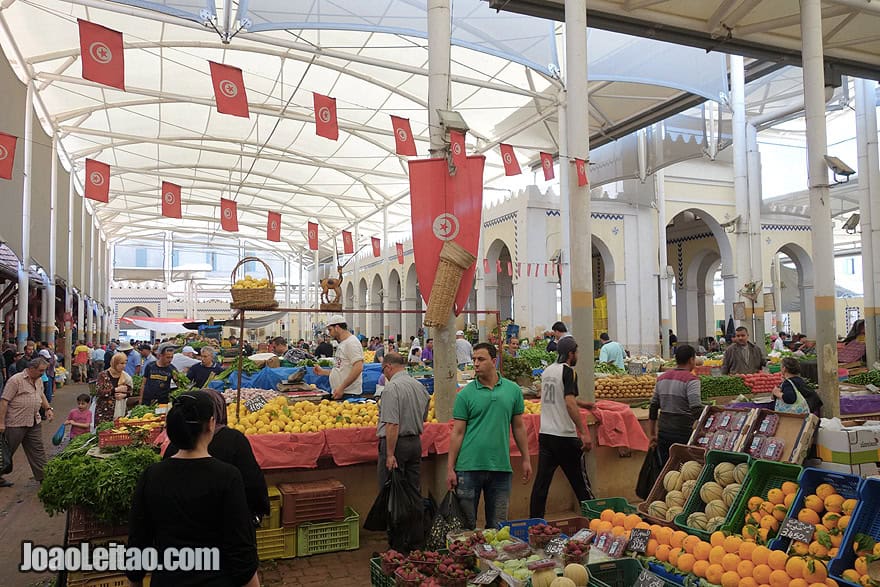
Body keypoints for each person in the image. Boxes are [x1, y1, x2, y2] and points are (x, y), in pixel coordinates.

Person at [127, 392, 260, 587]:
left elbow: (139, 536)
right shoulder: (227, 476)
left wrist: (135, 580)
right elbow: (239, 545)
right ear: (211, 424)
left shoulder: (152, 475)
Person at [446, 343, 532, 529]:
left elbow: (518, 427)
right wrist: (450, 468)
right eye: (474, 359)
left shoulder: (512, 390)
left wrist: (526, 458)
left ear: (494, 361)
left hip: (501, 468)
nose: (476, 363)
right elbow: (457, 433)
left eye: (481, 359)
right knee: (467, 528)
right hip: (468, 468)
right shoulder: (465, 395)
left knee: (498, 527)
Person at [165, 390, 269, 525]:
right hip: (227, 532)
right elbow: (253, 483)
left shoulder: (156, 470)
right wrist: (258, 512)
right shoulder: (229, 467)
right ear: (211, 422)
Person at [529, 337, 595, 518]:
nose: (578, 356)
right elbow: (568, 403)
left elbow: (558, 396)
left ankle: (535, 523)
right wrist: (583, 432)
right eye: (577, 352)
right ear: (571, 354)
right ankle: (595, 521)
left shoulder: (548, 371)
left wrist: (583, 404)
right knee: (581, 485)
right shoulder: (568, 372)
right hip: (565, 436)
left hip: (546, 435)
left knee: (541, 485)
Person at [376, 352, 430, 492]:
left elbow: (392, 424)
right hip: (415, 443)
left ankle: (394, 515)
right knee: (413, 489)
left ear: (388, 367)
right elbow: (423, 417)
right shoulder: (419, 386)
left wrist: (389, 454)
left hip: (397, 445)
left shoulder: (391, 388)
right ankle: (416, 514)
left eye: (383, 371)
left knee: (392, 492)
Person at [0, 358, 53, 487]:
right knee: (6, 451)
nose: (43, 373)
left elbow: (41, 395)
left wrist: (47, 408)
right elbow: (4, 401)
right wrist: (1, 423)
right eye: (41, 370)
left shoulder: (39, 380)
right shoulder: (15, 380)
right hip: (15, 423)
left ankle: (43, 478)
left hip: (34, 421)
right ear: (31, 368)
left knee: (37, 450)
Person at [648, 345, 704, 466]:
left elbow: (653, 406)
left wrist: (652, 433)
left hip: (664, 432)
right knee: (686, 470)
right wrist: (703, 429)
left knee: (666, 468)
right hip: (684, 433)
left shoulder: (661, 378)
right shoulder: (692, 380)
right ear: (691, 360)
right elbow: (696, 408)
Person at [313, 315, 364, 400]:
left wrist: (342, 387)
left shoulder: (351, 343)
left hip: (348, 394)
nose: (329, 333)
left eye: (330, 330)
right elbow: (342, 369)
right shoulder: (343, 343)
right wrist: (323, 372)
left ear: (337, 327)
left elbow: (358, 367)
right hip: (341, 393)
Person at [94, 353, 133, 425]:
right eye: (121, 363)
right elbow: (99, 392)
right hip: (104, 413)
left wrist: (124, 395)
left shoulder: (126, 377)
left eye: (125, 363)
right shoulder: (103, 375)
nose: (123, 366)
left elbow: (130, 391)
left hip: (120, 412)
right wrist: (115, 390)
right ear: (114, 363)